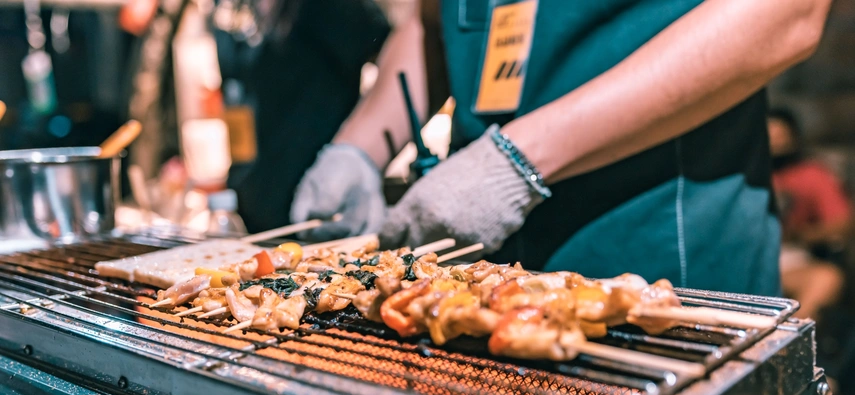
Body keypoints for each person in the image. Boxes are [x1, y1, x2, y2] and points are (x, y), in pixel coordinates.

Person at [290, 0, 832, 295]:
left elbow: (787, 13)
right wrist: (357, 149)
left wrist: (515, 161)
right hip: (475, 276)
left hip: (661, 267)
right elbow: (435, 23)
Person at [769, 108, 851, 320]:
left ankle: (789, 343)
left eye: (781, 138)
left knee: (825, 278)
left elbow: (841, 221)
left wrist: (799, 235)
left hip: (788, 257)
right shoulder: (740, 179)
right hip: (740, 257)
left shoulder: (810, 173)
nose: (776, 144)